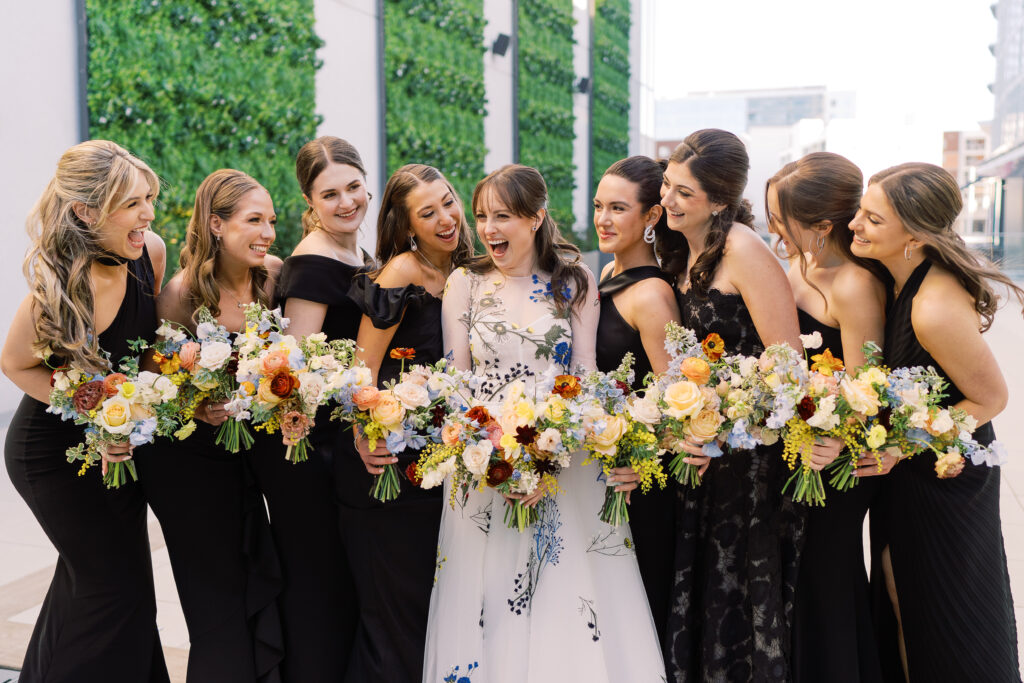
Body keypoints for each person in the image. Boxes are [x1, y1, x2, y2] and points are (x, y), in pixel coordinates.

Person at [424, 164, 665, 682]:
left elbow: (584, 374)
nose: (488, 229)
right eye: (482, 216)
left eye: (503, 216)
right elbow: (455, 380)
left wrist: (546, 461)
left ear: (535, 218)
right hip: (483, 465)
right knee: (488, 598)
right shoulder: (464, 283)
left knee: (567, 596)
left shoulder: (575, 281)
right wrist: (492, 457)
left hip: (565, 462)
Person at [660, 129, 829, 682]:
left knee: (739, 597)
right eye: (667, 185)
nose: (668, 200)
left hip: (750, 464)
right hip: (704, 460)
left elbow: (786, 372)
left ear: (719, 201)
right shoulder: (684, 250)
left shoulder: (744, 251)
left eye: (684, 192)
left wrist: (723, 428)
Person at [1, 140, 170, 682]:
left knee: (113, 588)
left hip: (118, 446)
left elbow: (142, 350)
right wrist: (95, 413)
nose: (147, 213)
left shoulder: (150, 253)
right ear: (86, 211)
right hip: (50, 455)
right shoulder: (60, 285)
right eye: (131, 204)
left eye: (148, 198)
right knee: (110, 590)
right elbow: (15, 364)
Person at [851, 162, 1022, 682]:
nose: (855, 224)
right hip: (913, 471)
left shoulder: (933, 307)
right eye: (861, 209)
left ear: (916, 235)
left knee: (949, 620)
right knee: (906, 604)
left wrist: (902, 444)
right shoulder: (900, 277)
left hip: (945, 481)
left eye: (872, 219)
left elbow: (990, 399)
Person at [142, 169, 284, 682]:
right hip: (188, 467)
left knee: (257, 577)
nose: (267, 231)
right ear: (217, 224)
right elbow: (156, 381)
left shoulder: (273, 275)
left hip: (248, 458)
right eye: (254, 220)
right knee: (217, 601)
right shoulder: (182, 293)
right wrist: (197, 406)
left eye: (270, 220)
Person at [343, 163, 473, 682]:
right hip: (398, 466)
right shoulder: (399, 273)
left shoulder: (471, 271)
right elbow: (363, 367)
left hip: (454, 464)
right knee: (401, 613)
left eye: (448, 202)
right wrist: (363, 434)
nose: (446, 218)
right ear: (406, 223)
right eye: (428, 212)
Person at [765, 152, 888, 683]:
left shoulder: (855, 285)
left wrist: (833, 435)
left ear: (821, 226)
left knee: (826, 578)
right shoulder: (795, 262)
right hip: (790, 450)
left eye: (781, 220)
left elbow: (869, 388)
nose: (774, 230)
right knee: (789, 579)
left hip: (835, 462)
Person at [268, 135, 368, 681]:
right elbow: (299, 368)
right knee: (320, 588)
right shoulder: (310, 264)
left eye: (354, 187)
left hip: (349, 442)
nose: (346, 202)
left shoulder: (358, 253)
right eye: (330, 194)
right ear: (310, 202)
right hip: (318, 453)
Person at [593, 155, 681, 651]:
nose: (604, 219)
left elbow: (678, 405)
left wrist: (638, 460)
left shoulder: (651, 295)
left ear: (651, 217)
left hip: (640, 484)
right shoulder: (607, 271)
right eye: (600, 206)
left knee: (641, 619)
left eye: (618, 208)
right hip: (604, 471)